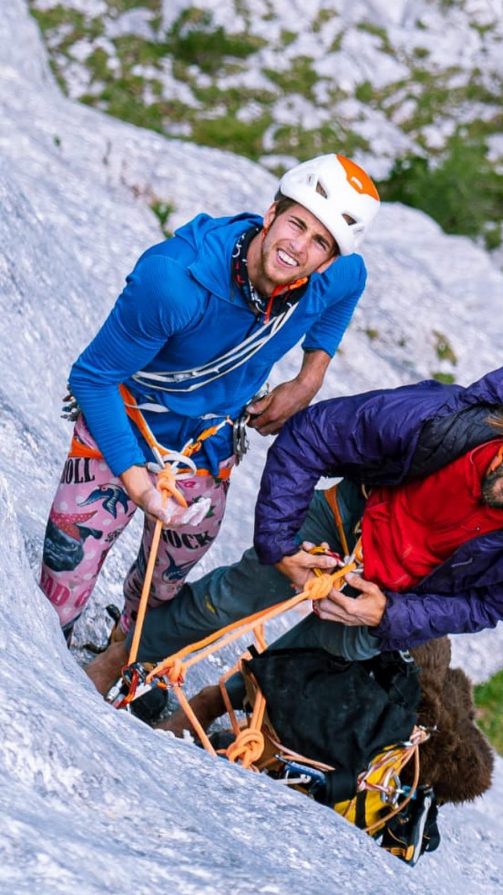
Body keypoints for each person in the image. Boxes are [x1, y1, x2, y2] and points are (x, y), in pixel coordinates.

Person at [87, 362, 503, 696]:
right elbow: (311, 436)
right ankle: (121, 656)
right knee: (236, 597)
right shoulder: (436, 420)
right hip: (353, 517)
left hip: (399, 590)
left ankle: (205, 711)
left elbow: (492, 606)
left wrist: (391, 615)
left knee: (309, 665)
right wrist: (280, 547)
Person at [39, 153, 381, 645]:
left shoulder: (331, 278)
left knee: (164, 584)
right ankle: (48, 661)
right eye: (296, 224)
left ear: (329, 259)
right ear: (271, 213)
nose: (297, 247)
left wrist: (309, 379)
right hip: (125, 422)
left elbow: (353, 285)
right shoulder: (174, 282)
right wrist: (140, 487)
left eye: (319, 242)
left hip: (207, 444)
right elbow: (94, 377)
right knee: (63, 579)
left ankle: (125, 657)